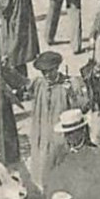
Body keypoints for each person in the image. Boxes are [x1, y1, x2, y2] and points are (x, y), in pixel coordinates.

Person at [28, 53, 87, 187]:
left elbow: (83, 107)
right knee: (43, 168)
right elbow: (23, 84)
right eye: (44, 72)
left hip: (61, 137)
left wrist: (71, 93)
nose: (47, 75)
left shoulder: (70, 84)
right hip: (43, 135)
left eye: (50, 71)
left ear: (57, 68)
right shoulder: (39, 83)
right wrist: (8, 69)